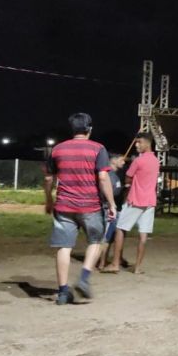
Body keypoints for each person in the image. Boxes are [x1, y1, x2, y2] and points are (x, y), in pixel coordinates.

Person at [43, 113, 117, 304]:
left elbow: (49, 178)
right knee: (95, 241)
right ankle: (84, 278)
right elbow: (103, 178)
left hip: (64, 206)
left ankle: (62, 292)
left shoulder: (58, 149)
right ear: (89, 129)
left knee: (64, 247)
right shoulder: (98, 149)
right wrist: (111, 203)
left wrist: (49, 201)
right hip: (90, 206)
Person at [108, 132, 160, 274]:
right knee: (143, 235)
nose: (136, 145)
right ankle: (137, 267)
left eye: (139, 142)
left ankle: (115, 263)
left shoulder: (138, 161)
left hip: (136, 200)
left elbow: (128, 178)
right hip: (150, 201)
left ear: (147, 143)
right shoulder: (156, 161)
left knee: (120, 228)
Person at [97, 154, 126, 270]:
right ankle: (101, 262)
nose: (124, 162)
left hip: (114, 208)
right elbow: (107, 192)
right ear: (113, 161)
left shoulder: (115, 175)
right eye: (121, 160)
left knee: (111, 236)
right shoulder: (109, 175)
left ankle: (103, 261)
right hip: (109, 209)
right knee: (107, 236)